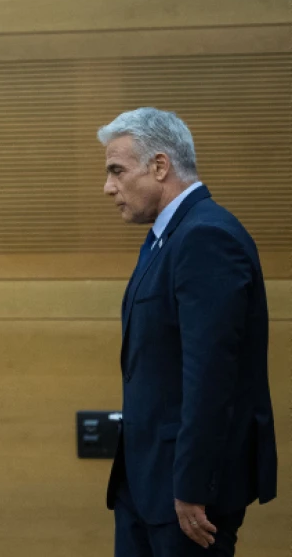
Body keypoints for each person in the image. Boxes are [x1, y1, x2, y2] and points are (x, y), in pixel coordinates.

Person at [98, 107, 277, 556]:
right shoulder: (166, 237)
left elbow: (211, 373)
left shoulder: (206, 237)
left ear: (159, 166)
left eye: (117, 171)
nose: (108, 188)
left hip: (186, 494)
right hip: (144, 484)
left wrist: (193, 485)